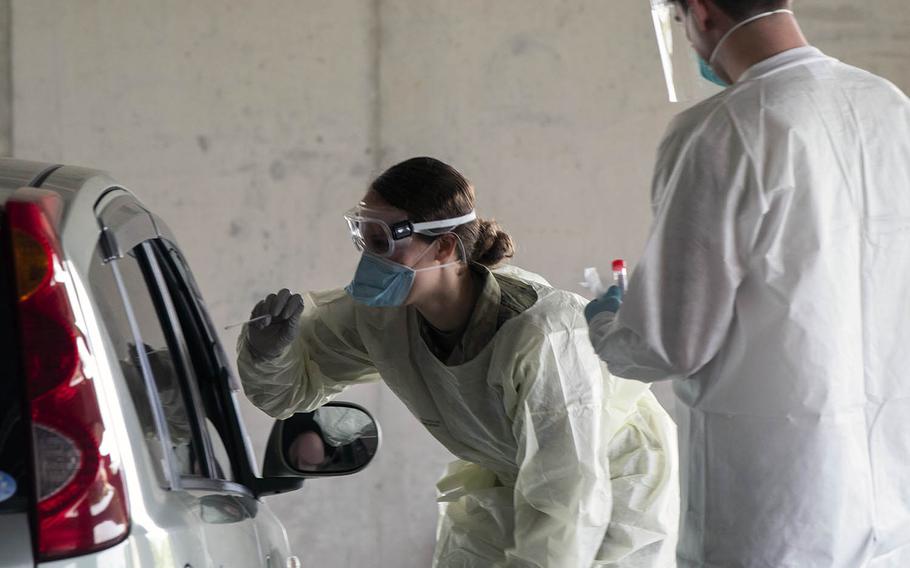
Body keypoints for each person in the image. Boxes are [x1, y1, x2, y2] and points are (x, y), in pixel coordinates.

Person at [587, 1, 910, 566]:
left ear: (701, 12)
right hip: (890, 509)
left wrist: (606, 324)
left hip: (776, 519)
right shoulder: (887, 103)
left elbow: (669, 344)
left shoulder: (720, 129)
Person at [237, 157, 680, 566]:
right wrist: (268, 352)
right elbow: (288, 393)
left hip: (612, 487)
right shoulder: (382, 317)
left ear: (446, 247)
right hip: (510, 473)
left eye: (382, 240)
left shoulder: (543, 336)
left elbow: (569, 501)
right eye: (363, 237)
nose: (369, 259)